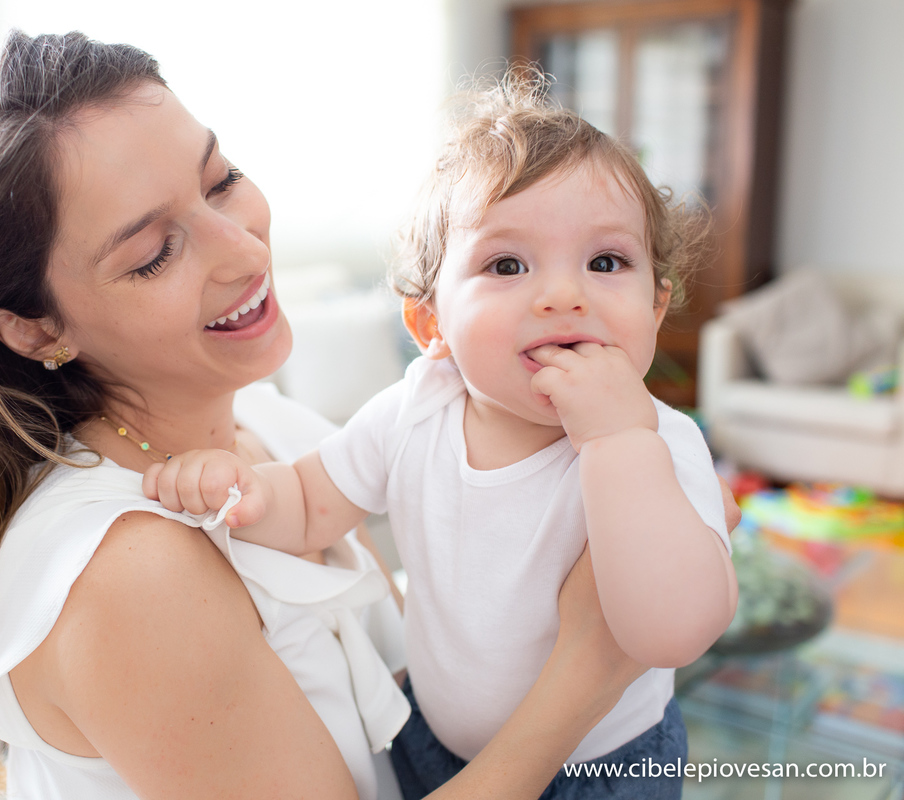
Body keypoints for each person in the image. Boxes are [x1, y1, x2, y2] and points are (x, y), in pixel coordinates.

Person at [0, 32, 736, 800]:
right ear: (36, 327)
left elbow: (437, 595)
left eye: (223, 179)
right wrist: (591, 660)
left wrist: (645, 496)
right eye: (154, 252)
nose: (244, 249)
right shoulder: (130, 578)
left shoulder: (272, 429)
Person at [144, 70, 740, 799]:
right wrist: (240, 490)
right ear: (431, 325)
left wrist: (617, 441)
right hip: (432, 735)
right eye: (507, 264)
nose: (563, 294)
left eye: (606, 262)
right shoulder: (418, 408)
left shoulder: (657, 441)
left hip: (604, 771)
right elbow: (312, 500)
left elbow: (671, 634)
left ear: (654, 306)